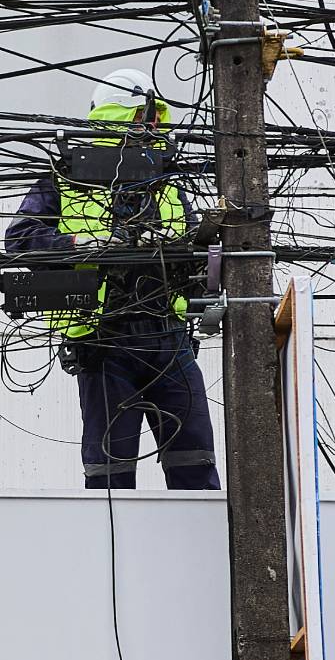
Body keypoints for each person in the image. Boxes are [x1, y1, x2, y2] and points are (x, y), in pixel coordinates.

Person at [4, 70, 220, 490]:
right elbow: (20, 239)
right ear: (119, 116)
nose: (153, 127)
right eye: (144, 116)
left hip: (169, 337)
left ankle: (201, 552)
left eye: (155, 117)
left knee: (195, 458)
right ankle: (111, 553)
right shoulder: (66, 176)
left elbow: (197, 249)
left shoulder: (167, 181)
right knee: (109, 473)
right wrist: (78, 241)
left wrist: (181, 244)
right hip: (104, 341)